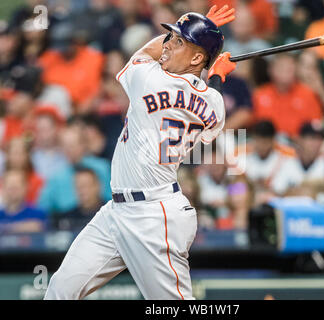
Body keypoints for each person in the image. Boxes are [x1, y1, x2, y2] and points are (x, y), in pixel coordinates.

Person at [44, 7, 236, 300]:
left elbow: (146, 51)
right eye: (170, 36)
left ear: (197, 58)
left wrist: (205, 47)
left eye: (179, 41)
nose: (169, 43)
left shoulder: (148, 79)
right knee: (61, 289)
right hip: (117, 211)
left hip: (154, 215)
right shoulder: (216, 104)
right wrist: (214, 73)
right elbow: (202, 101)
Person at [252, 53, 323, 138]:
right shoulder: (259, 94)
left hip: (298, 144)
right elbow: (249, 126)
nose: (286, 70)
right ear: (270, 70)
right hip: (267, 144)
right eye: (281, 66)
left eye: (290, 67)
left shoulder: (307, 94)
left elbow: (316, 125)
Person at [271, 121, 324, 195]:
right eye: (312, 138)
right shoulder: (285, 160)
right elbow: (275, 190)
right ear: (299, 140)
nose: (316, 143)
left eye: (320, 139)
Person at [0, 169, 47, 235]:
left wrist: (0, 228)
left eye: (16, 187)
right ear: (2, 188)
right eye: (10, 188)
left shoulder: (38, 214)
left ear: (26, 188)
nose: (13, 192)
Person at [243, 121, 295, 204]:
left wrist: (267, 188)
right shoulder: (243, 157)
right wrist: (251, 186)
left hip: (276, 203)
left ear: (273, 140)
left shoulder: (284, 159)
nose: (262, 146)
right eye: (258, 141)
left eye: (265, 142)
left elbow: (286, 190)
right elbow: (234, 187)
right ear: (253, 139)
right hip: (249, 203)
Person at [51, 167, 106, 232]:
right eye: (78, 186)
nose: (81, 190)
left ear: (98, 186)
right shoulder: (66, 218)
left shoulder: (108, 214)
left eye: (85, 186)